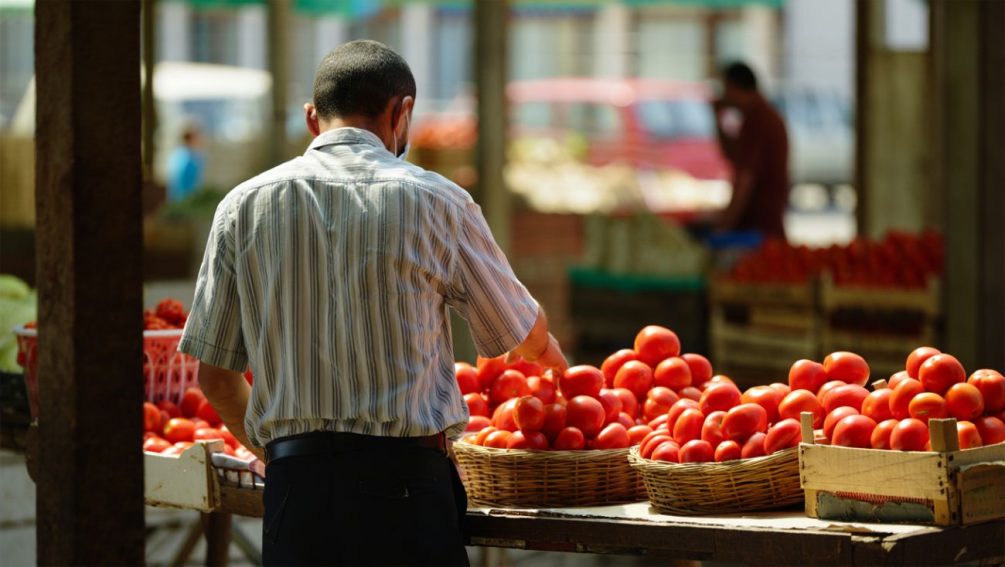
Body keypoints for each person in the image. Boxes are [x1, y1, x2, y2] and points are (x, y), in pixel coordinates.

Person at [178, 39, 568, 566]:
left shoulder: (240, 208)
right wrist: (548, 356)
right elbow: (519, 330)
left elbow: (217, 379)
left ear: (312, 119)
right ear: (401, 112)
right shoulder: (437, 200)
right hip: (407, 492)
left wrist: (290, 454)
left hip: (298, 497)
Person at [711, 62, 790, 239]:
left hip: (760, 227)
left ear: (735, 87)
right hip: (757, 224)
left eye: (725, 88)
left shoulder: (760, 120)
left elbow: (744, 179)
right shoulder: (755, 118)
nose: (724, 95)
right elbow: (733, 156)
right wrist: (717, 120)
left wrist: (723, 228)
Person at [166, 124, 206, 202]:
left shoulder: (177, 154)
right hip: (185, 198)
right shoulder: (189, 158)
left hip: (179, 197)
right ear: (191, 139)